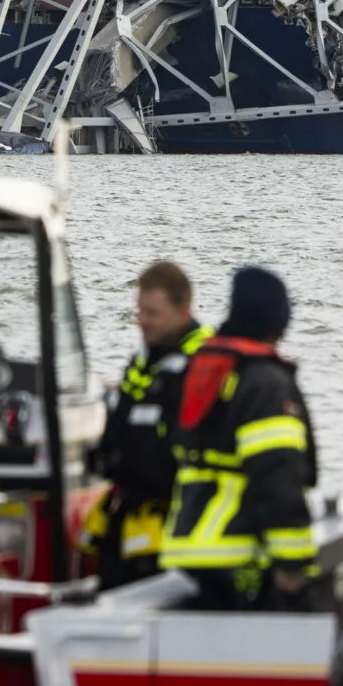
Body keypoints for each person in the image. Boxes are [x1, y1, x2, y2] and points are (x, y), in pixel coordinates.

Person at [156, 267, 319, 610]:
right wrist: (293, 567)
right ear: (277, 323)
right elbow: (277, 474)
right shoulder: (266, 384)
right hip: (237, 551)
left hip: (189, 546)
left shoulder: (203, 368)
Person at [81, 259, 213, 586]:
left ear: (184, 311)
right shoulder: (142, 361)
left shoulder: (203, 367)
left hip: (171, 523)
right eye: (139, 312)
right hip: (127, 511)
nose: (142, 322)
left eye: (152, 313)